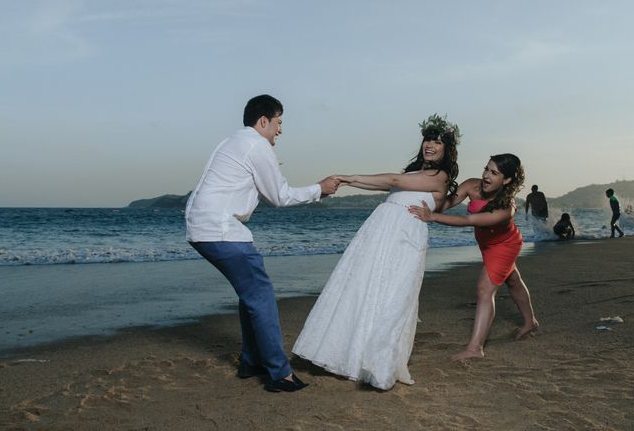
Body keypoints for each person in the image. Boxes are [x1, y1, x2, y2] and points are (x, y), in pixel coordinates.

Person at [292, 114, 460, 390]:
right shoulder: (417, 172)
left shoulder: (440, 176)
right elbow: (394, 183)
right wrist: (349, 182)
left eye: (437, 142)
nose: (430, 144)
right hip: (382, 230)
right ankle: (347, 357)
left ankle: (377, 363)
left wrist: (348, 177)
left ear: (447, 149)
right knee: (362, 287)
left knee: (391, 294)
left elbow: (391, 180)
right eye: (428, 139)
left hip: (402, 235)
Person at [185, 94, 340, 393]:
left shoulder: (234, 141)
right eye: (279, 122)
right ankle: (279, 374)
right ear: (263, 121)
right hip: (220, 230)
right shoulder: (257, 145)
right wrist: (320, 189)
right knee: (261, 295)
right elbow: (279, 196)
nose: (280, 130)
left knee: (251, 294)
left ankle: (251, 361)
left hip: (200, 228)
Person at [410, 154, 539, 361]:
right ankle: (530, 322)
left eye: (494, 173)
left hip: (504, 246)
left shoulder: (507, 207)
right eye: (486, 169)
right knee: (513, 280)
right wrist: (425, 205)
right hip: (486, 244)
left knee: (484, 288)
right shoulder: (472, 185)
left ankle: (475, 348)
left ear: (506, 180)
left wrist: (432, 217)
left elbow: (468, 219)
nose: (486, 176)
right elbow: (447, 202)